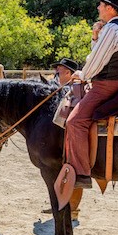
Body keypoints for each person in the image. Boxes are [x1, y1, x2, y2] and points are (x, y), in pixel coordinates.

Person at [66, 0, 118, 179]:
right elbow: (102, 55)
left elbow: (95, 63)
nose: (98, 8)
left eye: (101, 4)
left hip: (106, 86)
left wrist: (82, 74)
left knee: (74, 122)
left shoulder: (113, 29)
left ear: (110, 8)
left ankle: (81, 173)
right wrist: (95, 37)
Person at [44, 57, 86, 219]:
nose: (56, 72)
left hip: (70, 139)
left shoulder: (76, 90)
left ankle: (73, 210)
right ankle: (58, 203)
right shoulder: (58, 88)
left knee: (72, 169)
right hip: (57, 139)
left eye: (59, 70)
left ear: (68, 72)